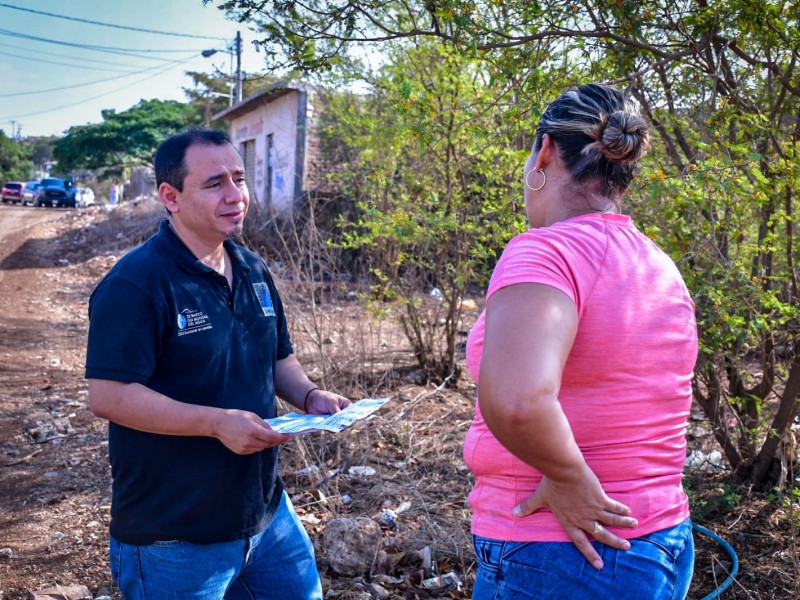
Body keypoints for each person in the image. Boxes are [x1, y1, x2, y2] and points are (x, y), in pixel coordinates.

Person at [85, 128, 351, 599]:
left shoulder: (253, 268)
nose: (235, 196)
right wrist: (216, 423)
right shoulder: (136, 283)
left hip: (267, 518)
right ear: (171, 196)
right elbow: (109, 395)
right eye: (214, 184)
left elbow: (277, 358)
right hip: (174, 535)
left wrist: (310, 396)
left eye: (239, 178)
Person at [464, 84, 698, 599]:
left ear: (544, 151)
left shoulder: (544, 253)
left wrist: (566, 477)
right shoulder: (658, 265)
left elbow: (519, 402)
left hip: (564, 555)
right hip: (658, 538)